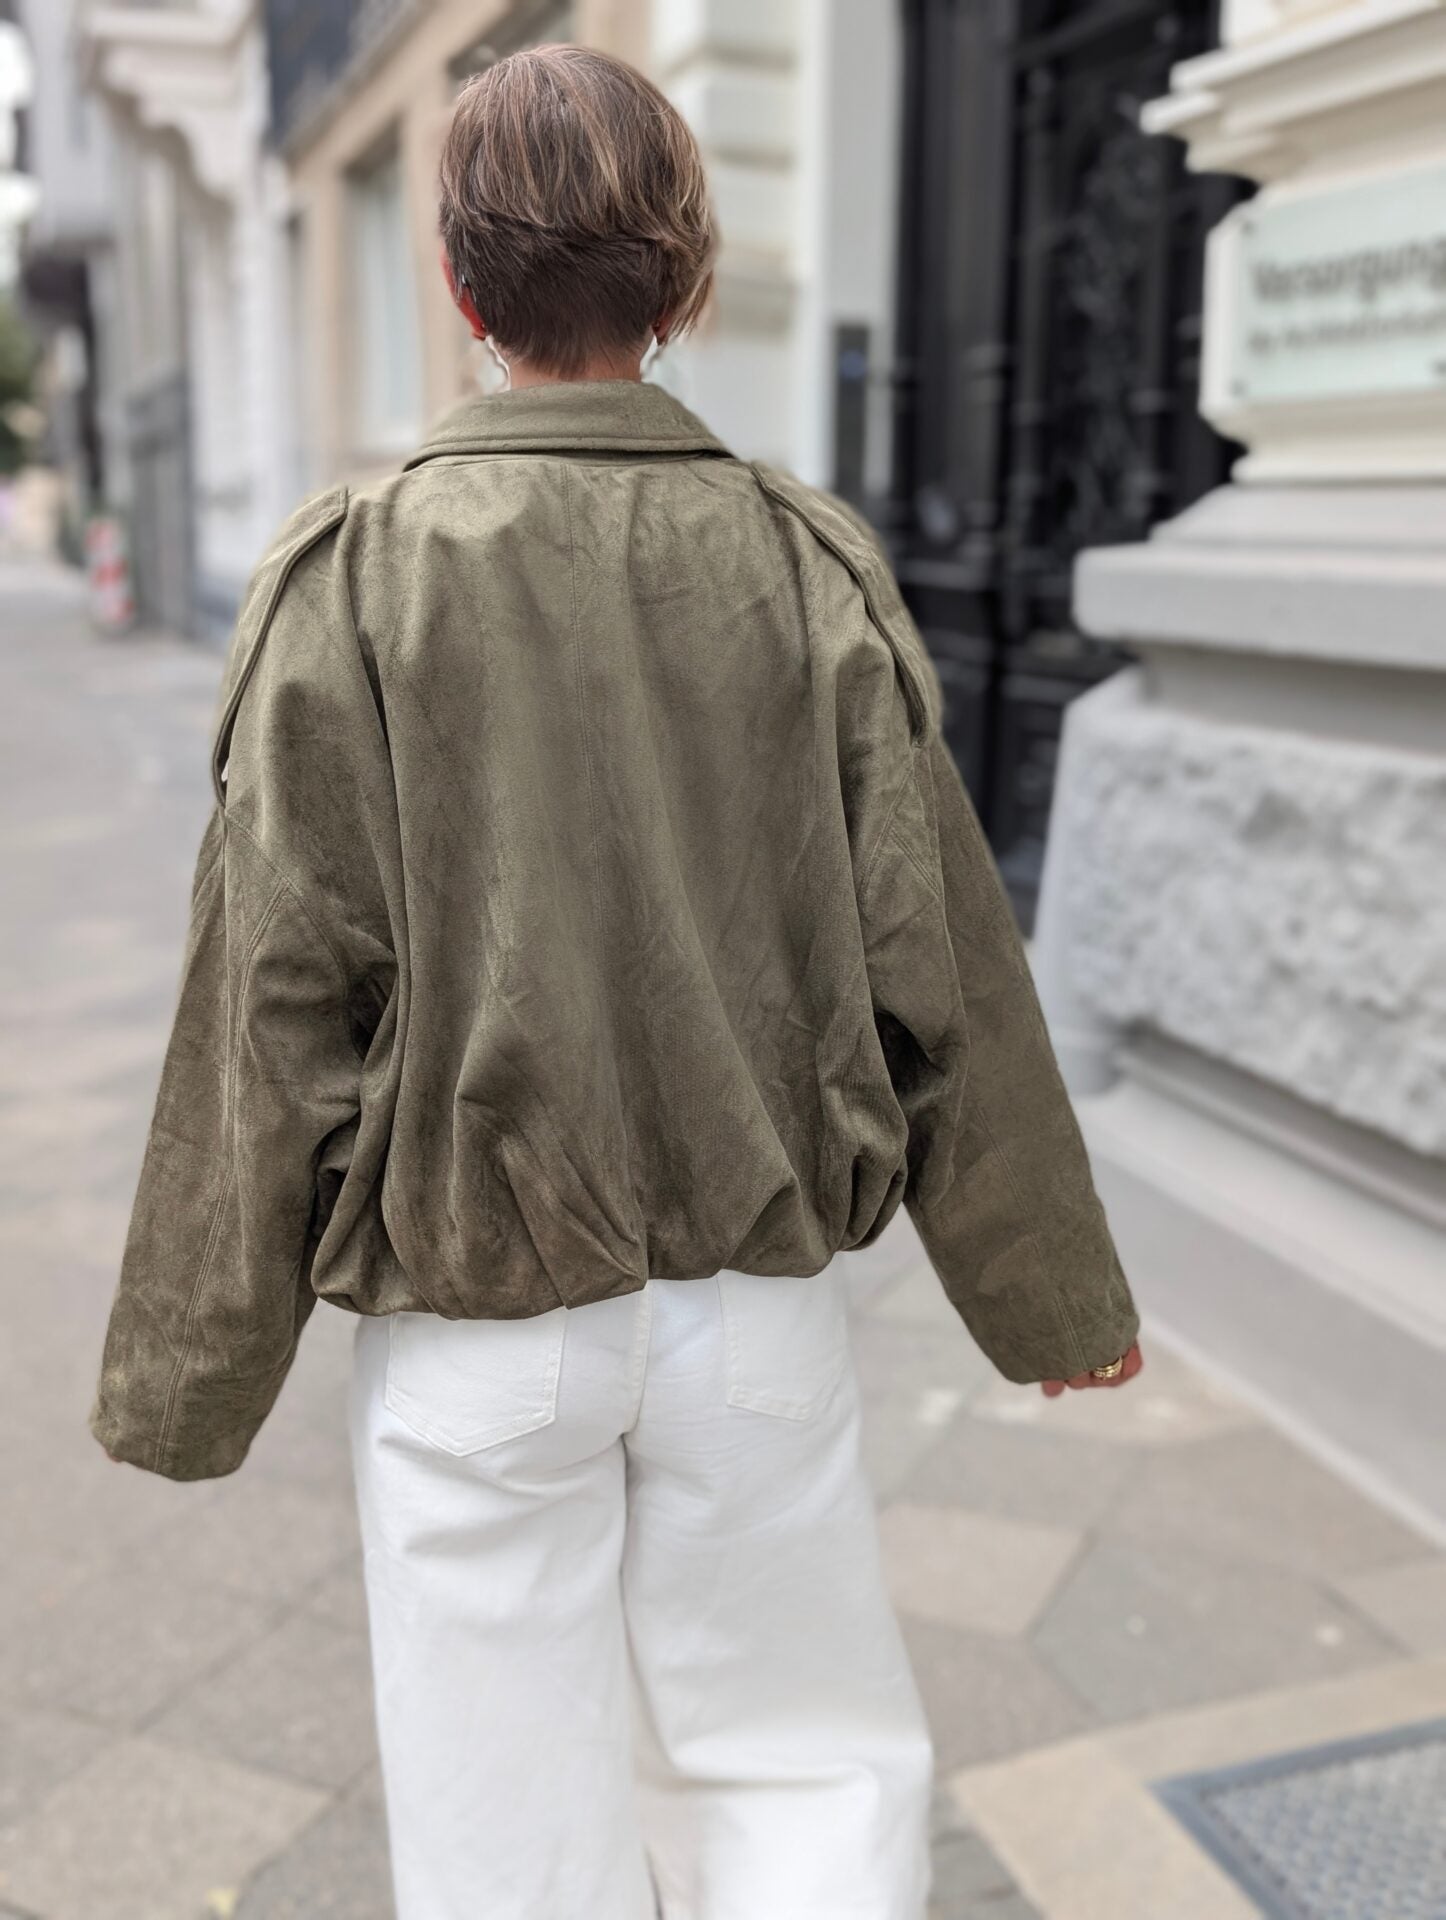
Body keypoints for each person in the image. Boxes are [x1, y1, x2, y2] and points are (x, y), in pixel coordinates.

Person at [89, 42, 1143, 1920]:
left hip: (476, 1321)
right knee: (803, 1763)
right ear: (687, 277)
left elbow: (269, 1004)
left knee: (506, 1824)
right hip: (754, 1311)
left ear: (457, 281)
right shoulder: (803, 562)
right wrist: (1051, 1295)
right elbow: (945, 963)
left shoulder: (354, 578)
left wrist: (192, 1368)